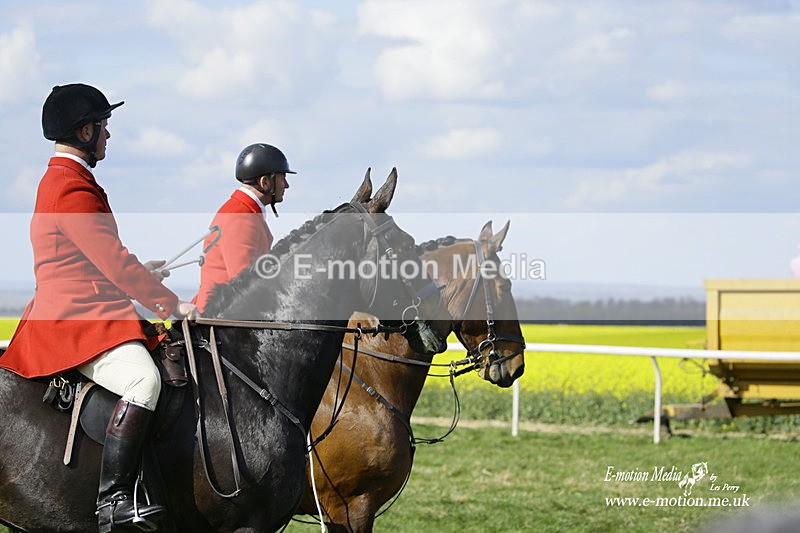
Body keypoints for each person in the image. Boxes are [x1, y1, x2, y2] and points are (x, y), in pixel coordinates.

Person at [0, 83, 198, 532]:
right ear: (86, 130)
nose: (109, 135)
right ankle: (114, 501)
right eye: (105, 127)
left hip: (86, 304)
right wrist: (169, 303)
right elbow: (111, 260)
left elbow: (97, 257)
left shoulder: (67, 180)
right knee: (143, 381)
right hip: (74, 318)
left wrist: (142, 272)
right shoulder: (70, 187)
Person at [194, 143, 295, 312]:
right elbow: (245, 283)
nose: (286, 185)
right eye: (282, 177)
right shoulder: (240, 215)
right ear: (265, 182)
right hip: (220, 319)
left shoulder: (245, 210)